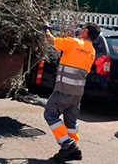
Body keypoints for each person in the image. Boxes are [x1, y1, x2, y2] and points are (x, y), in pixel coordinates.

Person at [43, 22, 100, 162]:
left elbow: (51, 40)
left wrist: (47, 30)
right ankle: (75, 150)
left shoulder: (73, 42)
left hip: (64, 89)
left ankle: (67, 145)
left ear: (86, 32)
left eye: (82, 29)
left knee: (50, 114)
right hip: (77, 93)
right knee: (71, 122)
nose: (80, 31)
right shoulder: (92, 51)